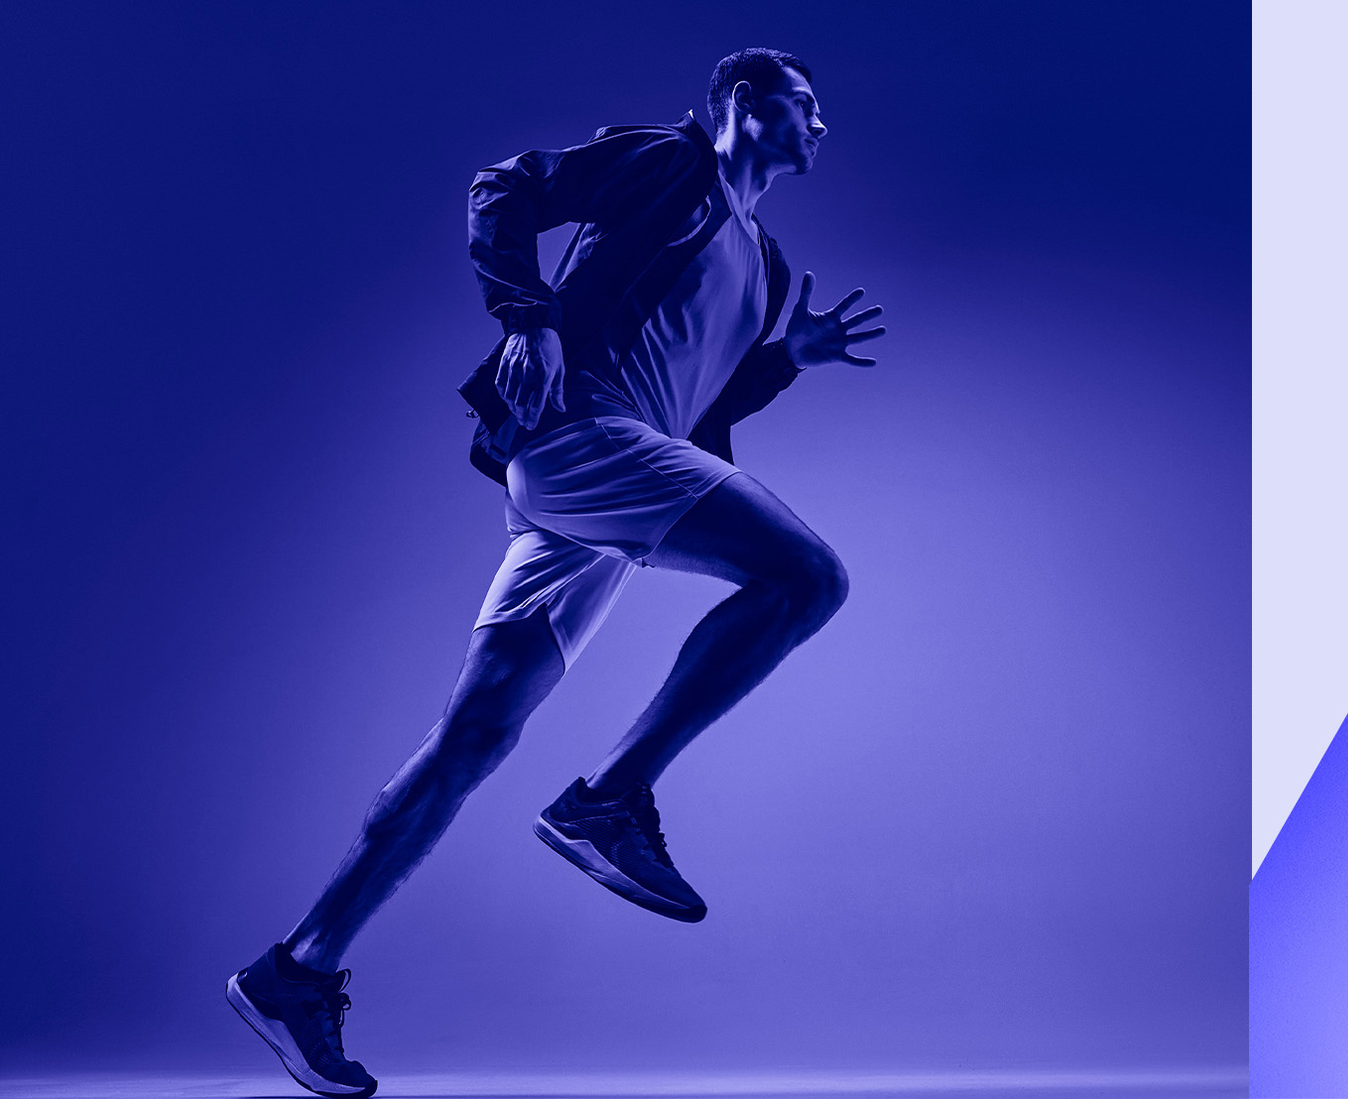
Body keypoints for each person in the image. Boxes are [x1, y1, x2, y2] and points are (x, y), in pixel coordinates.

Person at [223, 47, 885, 1098]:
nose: (821, 124)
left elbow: (696, 420)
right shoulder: (668, 165)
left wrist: (780, 361)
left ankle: (295, 967)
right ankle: (610, 800)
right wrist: (524, 315)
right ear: (744, 105)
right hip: (580, 435)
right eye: (807, 104)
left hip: (610, 477)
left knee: (475, 734)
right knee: (807, 577)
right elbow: (506, 189)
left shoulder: (762, 265)